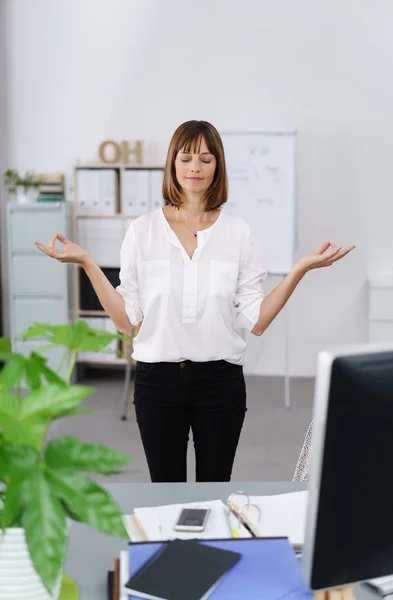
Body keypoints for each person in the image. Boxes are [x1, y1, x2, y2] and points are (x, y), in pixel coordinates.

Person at [35, 120, 355, 483]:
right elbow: (126, 320)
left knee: (214, 489)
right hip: (157, 381)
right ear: (172, 163)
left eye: (205, 159)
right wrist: (89, 264)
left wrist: (298, 270)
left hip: (220, 382)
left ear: (217, 165)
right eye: (186, 158)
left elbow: (259, 320)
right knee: (165, 490)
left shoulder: (239, 234)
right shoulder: (143, 230)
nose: (194, 168)